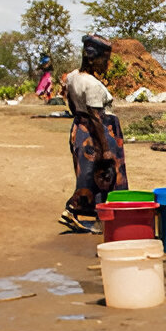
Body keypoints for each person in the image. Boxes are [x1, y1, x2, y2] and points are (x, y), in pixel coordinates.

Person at [60, 35, 128, 233]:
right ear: (92, 58)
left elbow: (72, 104)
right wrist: (106, 149)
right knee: (106, 175)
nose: (106, 64)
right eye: (104, 60)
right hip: (98, 133)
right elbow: (97, 118)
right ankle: (76, 210)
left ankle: (96, 218)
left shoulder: (73, 77)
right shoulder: (92, 85)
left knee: (89, 174)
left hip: (80, 129)